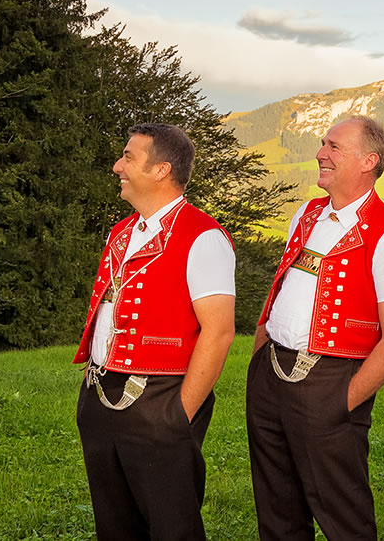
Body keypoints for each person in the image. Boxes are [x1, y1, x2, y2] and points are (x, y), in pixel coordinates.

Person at [249, 116, 384, 541]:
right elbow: (281, 290)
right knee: (277, 511)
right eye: (324, 144)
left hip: (331, 380)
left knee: (343, 516)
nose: (321, 153)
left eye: (333, 147)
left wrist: (344, 400)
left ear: (368, 161)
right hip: (271, 374)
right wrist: (259, 362)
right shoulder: (305, 215)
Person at [74, 123, 237, 540]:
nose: (117, 167)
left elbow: (218, 332)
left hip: (160, 399)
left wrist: (177, 415)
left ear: (162, 169)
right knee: (114, 526)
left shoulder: (203, 237)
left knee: (171, 528)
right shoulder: (122, 231)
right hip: (100, 395)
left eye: (128, 158)